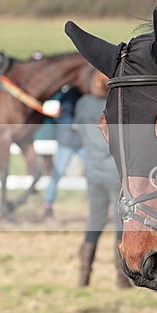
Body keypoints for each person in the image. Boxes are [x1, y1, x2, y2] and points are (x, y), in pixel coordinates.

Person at [74, 93, 130, 288]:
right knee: (119, 223)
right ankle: (122, 278)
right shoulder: (117, 103)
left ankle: (84, 274)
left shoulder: (83, 104)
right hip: (115, 174)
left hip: (93, 172)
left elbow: (77, 130)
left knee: (94, 221)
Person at [43, 84, 83, 218]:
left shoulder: (66, 94)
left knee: (57, 173)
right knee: (96, 171)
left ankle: (48, 204)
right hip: (71, 140)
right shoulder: (71, 94)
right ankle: (48, 204)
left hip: (74, 140)